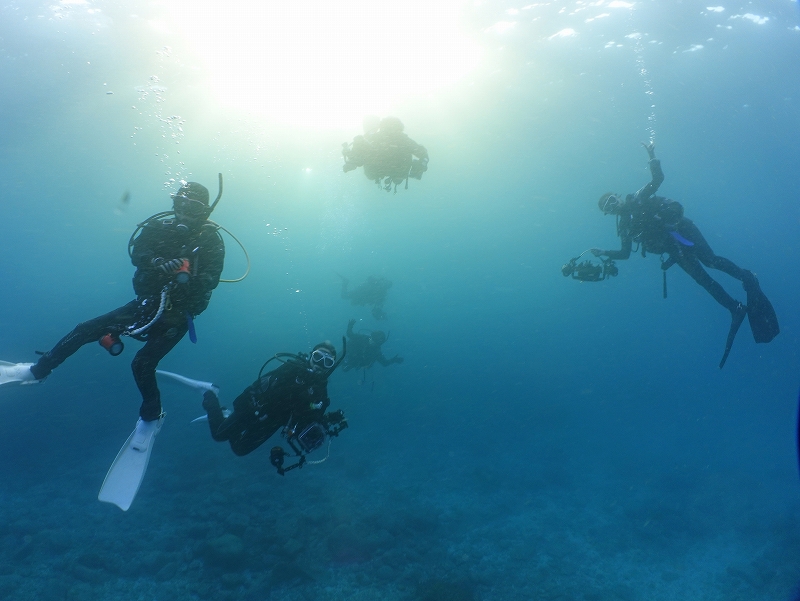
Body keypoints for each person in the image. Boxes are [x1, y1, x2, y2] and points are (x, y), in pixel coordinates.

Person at [0, 180, 226, 442]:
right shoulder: (157, 227)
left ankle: (151, 417)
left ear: (205, 211)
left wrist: (185, 277)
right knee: (85, 329)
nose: (184, 212)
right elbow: (137, 252)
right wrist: (157, 262)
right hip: (144, 304)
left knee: (142, 363)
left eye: (193, 208)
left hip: (178, 313)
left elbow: (212, 279)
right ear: (173, 203)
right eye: (180, 204)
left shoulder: (210, 240)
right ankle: (38, 371)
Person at [590, 143, 778, 368]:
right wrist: (603, 252)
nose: (613, 206)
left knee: (711, 260)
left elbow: (657, 179)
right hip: (672, 247)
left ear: (618, 197)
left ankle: (746, 276)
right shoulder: (625, 229)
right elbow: (625, 253)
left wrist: (652, 155)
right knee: (702, 280)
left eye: (612, 200)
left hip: (682, 230)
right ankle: (734, 308)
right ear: (608, 213)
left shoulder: (638, 198)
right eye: (608, 208)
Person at [161, 341, 348, 474]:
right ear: (310, 357)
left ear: (331, 366)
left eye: (327, 362)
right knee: (219, 435)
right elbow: (268, 387)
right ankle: (209, 393)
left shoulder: (321, 390)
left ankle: (225, 414)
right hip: (254, 408)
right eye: (317, 357)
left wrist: (327, 418)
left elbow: (308, 417)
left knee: (240, 450)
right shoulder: (292, 369)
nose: (320, 364)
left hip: (272, 423)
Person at [342, 116, 429, 192]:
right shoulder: (404, 140)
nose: (390, 132)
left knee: (363, 144)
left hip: (382, 171)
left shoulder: (400, 140)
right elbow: (423, 153)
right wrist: (421, 165)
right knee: (362, 143)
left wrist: (352, 158)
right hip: (393, 172)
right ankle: (354, 160)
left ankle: (354, 160)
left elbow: (423, 153)